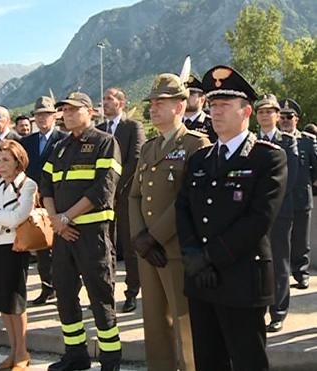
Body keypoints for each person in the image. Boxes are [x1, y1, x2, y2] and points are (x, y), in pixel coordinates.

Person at [175, 65, 288, 371]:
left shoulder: (268, 157)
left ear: (246, 111)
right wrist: (192, 255)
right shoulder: (200, 158)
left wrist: (210, 257)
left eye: (224, 105)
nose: (215, 112)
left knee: (248, 359)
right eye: (212, 105)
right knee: (208, 360)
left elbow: (259, 219)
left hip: (242, 278)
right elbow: (183, 208)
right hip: (201, 278)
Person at [129, 74, 210, 371]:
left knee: (185, 322)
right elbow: (134, 196)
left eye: (160, 102)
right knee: (153, 322)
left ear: (180, 105)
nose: (153, 108)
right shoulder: (149, 147)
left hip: (176, 250)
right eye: (151, 102)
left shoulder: (195, 144)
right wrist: (140, 237)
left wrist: (154, 236)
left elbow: (188, 199)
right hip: (147, 250)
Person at [41, 92, 122, 371]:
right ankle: (76, 354)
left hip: (92, 235)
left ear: (90, 111)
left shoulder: (105, 142)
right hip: (63, 235)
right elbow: (46, 185)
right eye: (64, 110)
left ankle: (110, 360)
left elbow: (102, 189)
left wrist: (66, 217)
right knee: (64, 294)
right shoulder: (61, 147)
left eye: (74, 109)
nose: (68, 113)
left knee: (100, 298)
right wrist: (55, 221)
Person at [0, 139, 36, 371]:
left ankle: (22, 351)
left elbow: (17, 218)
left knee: (15, 302)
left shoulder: (27, 185)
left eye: (6, 160)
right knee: (1, 302)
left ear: (18, 161)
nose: (1, 165)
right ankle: (13, 349)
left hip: (14, 248)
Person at [97, 87, 146, 313]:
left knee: (129, 245)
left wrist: (113, 187)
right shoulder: (98, 130)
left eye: (109, 99)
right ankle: (106, 292)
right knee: (105, 247)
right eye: (103, 99)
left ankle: (132, 292)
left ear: (121, 103)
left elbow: (135, 159)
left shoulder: (132, 126)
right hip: (101, 199)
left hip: (125, 196)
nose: (105, 102)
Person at [255, 94, 298, 333]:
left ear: (277, 115)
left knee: (279, 263)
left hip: (279, 212)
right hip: (256, 214)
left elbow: (289, 180)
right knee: (259, 263)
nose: (265, 116)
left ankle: (278, 312)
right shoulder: (251, 141)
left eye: (269, 112)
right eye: (261, 112)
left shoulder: (288, 141)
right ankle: (260, 307)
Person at [21, 96, 67, 306]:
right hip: (35, 201)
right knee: (41, 248)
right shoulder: (27, 142)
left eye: (46, 114)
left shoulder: (64, 139)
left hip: (60, 200)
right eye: (38, 114)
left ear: (55, 116)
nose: (42, 118)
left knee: (61, 247)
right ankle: (47, 287)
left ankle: (64, 288)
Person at [279, 98, 317, 289]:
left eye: (289, 116)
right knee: (280, 241)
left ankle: (301, 272)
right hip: (278, 200)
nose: (285, 120)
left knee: (300, 240)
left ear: (297, 120)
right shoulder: (272, 141)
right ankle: (281, 275)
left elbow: (315, 171)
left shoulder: (308, 142)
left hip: (301, 198)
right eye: (282, 116)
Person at [183, 75, 217, 142]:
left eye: (191, 94)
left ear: (202, 99)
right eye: (184, 94)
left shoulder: (212, 125)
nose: (186, 97)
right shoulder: (174, 123)